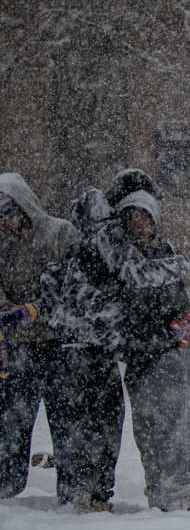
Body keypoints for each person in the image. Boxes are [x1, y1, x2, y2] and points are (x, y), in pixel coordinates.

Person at [41, 170, 190, 511]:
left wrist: (70, 323)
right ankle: (103, 498)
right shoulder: (112, 241)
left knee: (119, 428)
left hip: (148, 351)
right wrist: (183, 264)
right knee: (114, 427)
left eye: (146, 220)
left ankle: (91, 498)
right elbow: (138, 279)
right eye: (132, 219)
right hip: (123, 351)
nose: (139, 228)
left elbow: (175, 308)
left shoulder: (90, 247)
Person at [0, 172, 81, 497]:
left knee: (67, 419)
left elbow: (76, 284)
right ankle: (5, 487)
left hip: (60, 346)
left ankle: (74, 489)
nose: (7, 226)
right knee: (11, 422)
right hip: (18, 349)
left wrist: (38, 309)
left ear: (24, 206)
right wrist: (9, 313)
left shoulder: (60, 233)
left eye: (9, 216)